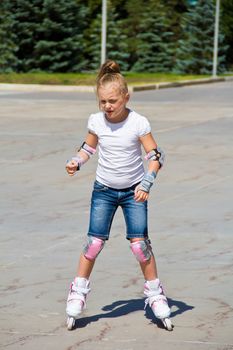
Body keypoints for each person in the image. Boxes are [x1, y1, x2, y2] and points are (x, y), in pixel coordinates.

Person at [65, 60, 173, 331]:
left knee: (140, 245)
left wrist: (148, 180)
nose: (107, 107)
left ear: (127, 97)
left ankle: (155, 292)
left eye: (112, 101)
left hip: (133, 191)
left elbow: (155, 155)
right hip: (103, 190)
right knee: (93, 243)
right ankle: (78, 291)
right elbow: (88, 148)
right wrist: (76, 161)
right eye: (102, 101)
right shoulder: (96, 121)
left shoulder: (138, 122)